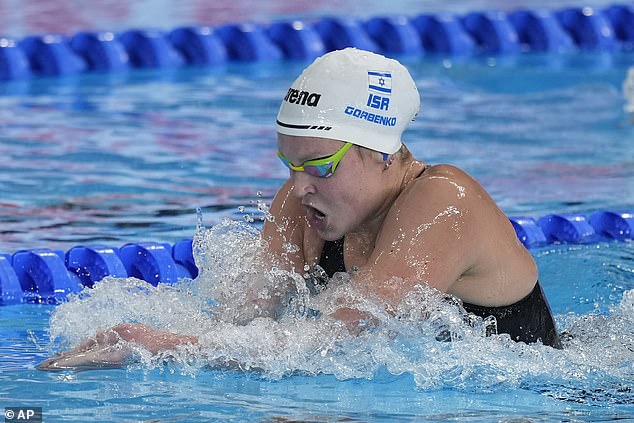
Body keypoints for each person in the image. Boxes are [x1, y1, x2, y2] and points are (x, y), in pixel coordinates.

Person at [38, 48, 561, 371]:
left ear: (380, 152)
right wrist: (158, 345)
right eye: (288, 164)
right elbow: (246, 324)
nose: (297, 186)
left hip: (543, 394)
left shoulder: (444, 202)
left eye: (320, 166)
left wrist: (155, 344)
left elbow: (330, 338)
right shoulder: (302, 201)